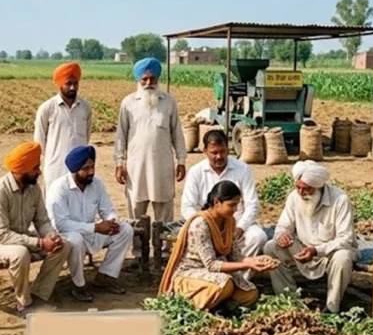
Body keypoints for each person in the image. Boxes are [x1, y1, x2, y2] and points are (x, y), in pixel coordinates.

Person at [0, 142, 72, 316]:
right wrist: (40, 243)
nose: (39, 172)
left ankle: (39, 295)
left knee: (64, 244)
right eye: (35, 168)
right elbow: (3, 235)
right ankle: (24, 304)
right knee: (20, 253)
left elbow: (42, 220)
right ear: (22, 168)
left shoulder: (34, 188)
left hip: (20, 237)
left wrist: (51, 236)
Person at [158, 181, 279, 311]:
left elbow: (236, 256)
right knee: (225, 285)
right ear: (217, 203)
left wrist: (256, 261)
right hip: (191, 272)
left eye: (237, 205)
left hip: (216, 274)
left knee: (250, 293)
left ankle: (219, 304)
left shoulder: (229, 222)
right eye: (231, 205)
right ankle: (201, 302)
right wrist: (248, 265)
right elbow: (211, 264)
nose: (235, 210)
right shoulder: (200, 224)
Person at [264, 161, 359, 313]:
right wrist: (282, 235)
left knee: (343, 257)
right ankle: (288, 301)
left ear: (318, 186)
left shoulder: (340, 200)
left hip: (331, 252)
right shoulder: (294, 197)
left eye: (307, 188)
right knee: (271, 247)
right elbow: (283, 226)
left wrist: (315, 251)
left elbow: (345, 239)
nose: (301, 192)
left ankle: (331, 308)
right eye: (298, 187)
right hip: (303, 249)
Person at [47, 145, 133, 302]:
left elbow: (108, 208)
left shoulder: (97, 184)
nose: (91, 172)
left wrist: (111, 221)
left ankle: (104, 277)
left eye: (93, 167)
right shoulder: (59, 188)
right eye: (86, 168)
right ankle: (78, 285)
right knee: (76, 239)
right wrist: (96, 227)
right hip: (67, 235)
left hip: (93, 232)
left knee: (125, 229)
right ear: (75, 169)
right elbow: (61, 224)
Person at [113, 57, 187, 227]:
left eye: (152, 78)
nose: (148, 83)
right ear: (138, 80)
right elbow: (120, 135)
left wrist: (181, 161)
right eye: (144, 79)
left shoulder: (169, 101)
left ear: (158, 79)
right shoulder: (128, 103)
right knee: (136, 210)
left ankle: (164, 250)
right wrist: (119, 163)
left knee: (164, 211)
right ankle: (139, 251)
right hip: (136, 167)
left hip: (163, 167)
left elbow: (177, 133)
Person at [180, 129, 268, 257]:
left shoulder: (242, 169)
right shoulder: (196, 172)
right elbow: (187, 207)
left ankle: (237, 274)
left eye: (222, 151)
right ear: (205, 151)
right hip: (207, 226)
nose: (219, 157)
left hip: (237, 224)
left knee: (258, 238)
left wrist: (240, 228)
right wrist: (206, 226)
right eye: (214, 153)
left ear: (228, 149)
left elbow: (252, 204)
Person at [34, 62, 93, 189]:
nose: (72, 87)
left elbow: (86, 136)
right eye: (68, 84)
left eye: (75, 83)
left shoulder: (85, 107)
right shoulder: (47, 108)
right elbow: (39, 142)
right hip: (55, 169)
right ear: (60, 84)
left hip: (79, 170)